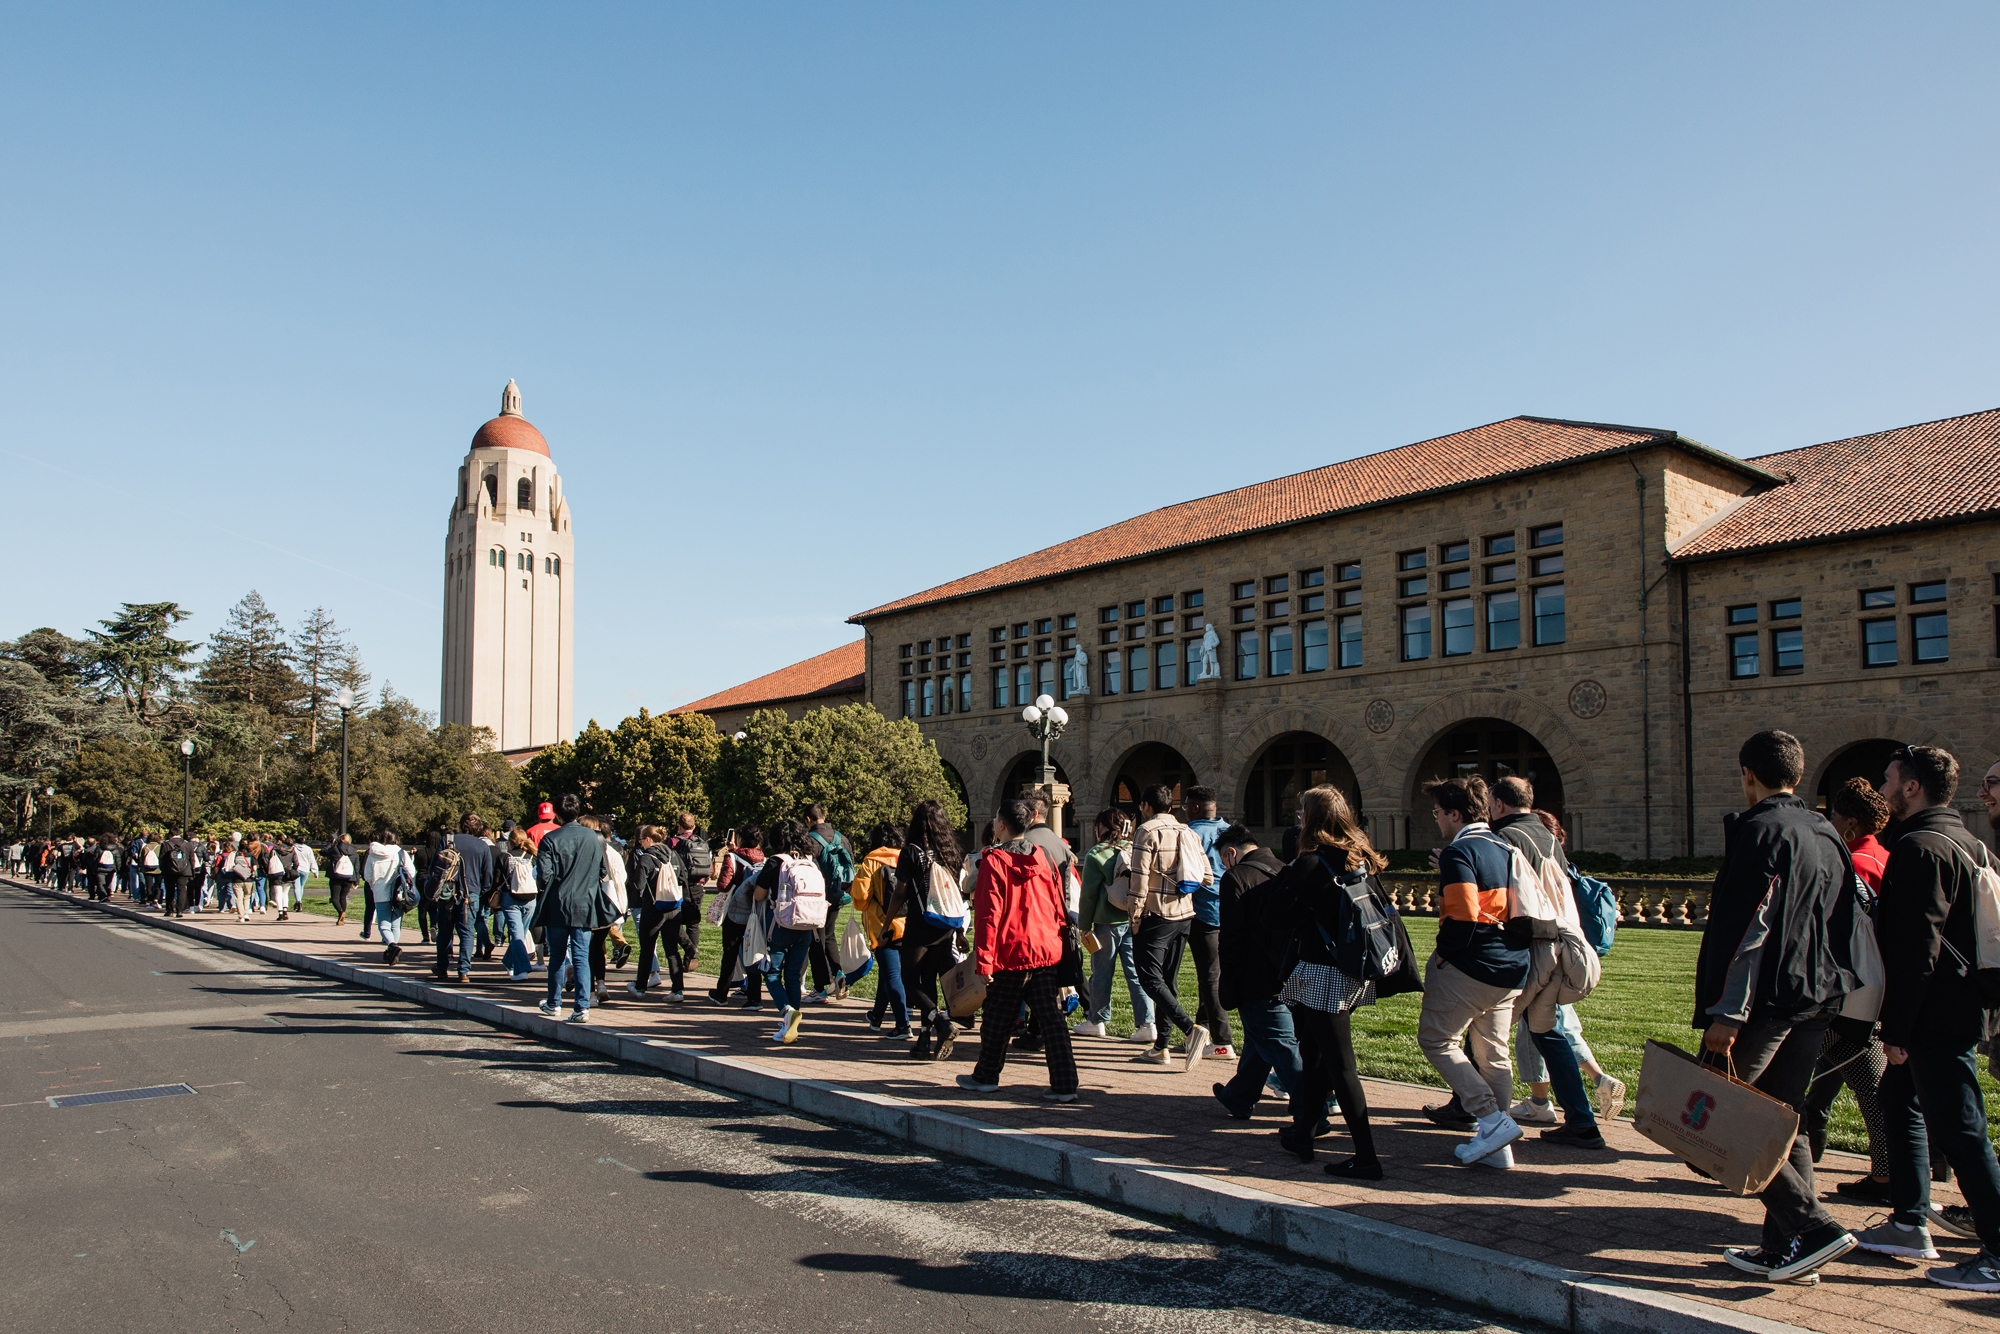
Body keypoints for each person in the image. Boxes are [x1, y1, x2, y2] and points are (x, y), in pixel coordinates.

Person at [1697, 730, 1863, 1285]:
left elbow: (1749, 928)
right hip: (1819, 995)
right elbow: (1846, 923)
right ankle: (1791, 1247)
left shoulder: (1761, 831)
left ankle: (1810, 1227)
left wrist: (1728, 1014)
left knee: (1715, 1117)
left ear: (1748, 774)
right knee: (1785, 1121)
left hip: (1765, 1003)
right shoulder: (1826, 831)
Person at [1870, 745, 2000, 1291]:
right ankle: (1909, 1219)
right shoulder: (1970, 844)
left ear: (1912, 787)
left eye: (1889, 779)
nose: (1882, 789)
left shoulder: (1921, 847)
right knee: (1900, 1100)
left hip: (1937, 1013)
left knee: (1960, 1127)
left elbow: (1916, 948)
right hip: (1956, 1003)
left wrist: (1895, 1029)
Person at [1275, 784, 1390, 1179]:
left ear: (1313, 819)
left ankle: (1367, 1156)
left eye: (1302, 813)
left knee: (1341, 1066)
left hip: (1324, 973)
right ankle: (1304, 1134)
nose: (1299, 820)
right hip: (1354, 969)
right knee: (1315, 1051)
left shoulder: (1310, 865)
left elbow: (1279, 911)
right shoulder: (1359, 859)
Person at [1416, 775, 1529, 1169]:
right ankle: (1497, 1144)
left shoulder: (1459, 851)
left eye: (1437, 813)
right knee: (1493, 1053)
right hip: (1513, 966)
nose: (1436, 821)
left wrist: (1444, 957)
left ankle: (1491, 1119)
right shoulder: (1505, 846)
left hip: (1472, 964)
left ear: (1454, 813)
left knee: (1436, 1039)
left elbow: (1463, 918)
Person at [1486, 776, 1603, 1150]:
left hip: (1532, 947)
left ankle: (1475, 1110)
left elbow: (1504, 895)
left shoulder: (1506, 837)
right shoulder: (1546, 835)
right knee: (1546, 1033)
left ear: (1499, 804)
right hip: (1559, 942)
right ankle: (1582, 1122)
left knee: (1483, 1021)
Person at [1804, 778, 1895, 1200]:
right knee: (1859, 1077)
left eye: (1834, 816)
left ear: (1850, 824)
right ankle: (1886, 1169)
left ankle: (1885, 1171)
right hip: (1868, 990)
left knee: (1796, 1070)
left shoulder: (1855, 865)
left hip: (1848, 989)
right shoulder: (1881, 856)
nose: (1829, 821)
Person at [956, 799, 1080, 1102]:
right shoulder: (1045, 857)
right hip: (1044, 947)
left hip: (1010, 951)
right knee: (1052, 1019)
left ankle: (985, 1076)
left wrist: (984, 963)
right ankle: (1065, 1085)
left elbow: (988, 915)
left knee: (997, 1018)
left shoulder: (993, 861)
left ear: (1000, 825)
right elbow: (1057, 904)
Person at [1213, 822, 1314, 1122]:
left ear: (1231, 852)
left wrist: (1228, 978)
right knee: (1261, 1038)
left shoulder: (1236, 877)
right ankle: (1240, 1097)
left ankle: (1312, 1110)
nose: (1225, 866)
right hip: (1290, 969)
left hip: (1254, 975)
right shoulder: (1285, 869)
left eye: (1223, 860)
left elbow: (1230, 937)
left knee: (1280, 1044)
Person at [1126, 784, 1212, 1070]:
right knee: (1167, 980)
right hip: (1185, 914)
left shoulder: (1146, 831)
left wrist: (1134, 917)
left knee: (1149, 978)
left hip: (1155, 915)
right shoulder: (1188, 831)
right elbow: (1207, 876)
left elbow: (1138, 881)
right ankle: (1161, 1046)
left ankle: (1190, 1030)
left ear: (1146, 806)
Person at [1073, 809, 1155, 1043]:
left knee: (1101, 973)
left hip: (1105, 922)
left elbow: (1088, 894)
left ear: (1100, 828)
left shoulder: (1097, 854)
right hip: (1134, 919)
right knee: (1136, 972)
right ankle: (1147, 1023)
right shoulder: (1133, 849)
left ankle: (1097, 1021)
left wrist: (1084, 924)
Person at [893, 798, 966, 1060]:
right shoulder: (950, 850)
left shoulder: (911, 851)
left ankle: (939, 1022)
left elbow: (900, 893)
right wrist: (959, 931)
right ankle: (924, 1039)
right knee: (930, 980)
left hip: (920, 924)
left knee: (911, 980)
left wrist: (888, 921)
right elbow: (955, 893)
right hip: (945, 926)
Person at [534, 794, 614, 1023]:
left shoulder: (551, 839)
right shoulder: (594, 838)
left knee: (558, 956)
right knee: (581, 956)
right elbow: (602, 871)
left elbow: (544, 875)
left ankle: (554, 1002)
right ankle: (581, 1006)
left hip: (558, 903)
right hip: (585, 902)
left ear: (557, 814)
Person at [753, 820, 824, 1044]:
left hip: (781, 924)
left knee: (773, 973)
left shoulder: (775, 862)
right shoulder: (809, 862)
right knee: (793, 975)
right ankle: (791, 1022)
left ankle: (787, 1012)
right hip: (807, 925)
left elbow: (759, 895)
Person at [1184, 785, 1235, 1061]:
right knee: (1212, 973)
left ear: (1193, 807)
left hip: (1202, 912)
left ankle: (1222, 1040)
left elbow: (1187, 875)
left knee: (1210, 977)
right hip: (1229, 912)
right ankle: (1201, 1028)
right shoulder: (1231, 832)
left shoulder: (1191, 833)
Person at [849, 823, 910, 1037]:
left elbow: (860, 898)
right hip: (910, 925)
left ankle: (903, 1025)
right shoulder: (906, 856)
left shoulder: (872, 860)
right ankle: (876, 1017)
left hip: (884, 927)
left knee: (892, 975)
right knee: (887, 973)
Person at [429, 814, 497, 985]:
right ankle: (464, 971)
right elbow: (487, 874)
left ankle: (442, 967)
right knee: (467, 932)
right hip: (471, 893)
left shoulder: (448, 840)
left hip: (447, 892)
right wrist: (481, 890)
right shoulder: (482, 846)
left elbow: (434, 867)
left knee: (445, 931)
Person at [706, 826, 769, 1009]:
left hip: (735, 909)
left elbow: (723, 885)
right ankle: (754, 997)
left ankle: (721, 993)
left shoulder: (732, 857)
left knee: (730, 953)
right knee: (753, 951)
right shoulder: (763, 858)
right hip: (754, 910)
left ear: (740, 838)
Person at [626, 825, 690, 1003]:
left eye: (641, 840)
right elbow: (683, 877)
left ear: (648, 839)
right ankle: (677, 990)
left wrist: (631, 881)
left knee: (647, 949)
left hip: (653, 907)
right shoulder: (673, 854)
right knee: (672, 950)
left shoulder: (647, 858)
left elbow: (638, 885)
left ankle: (640, 987)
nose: (640, 843)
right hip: (673, 906)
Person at [362, 830, 416, 964]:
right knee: (395, 924)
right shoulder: (401, 853)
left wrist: (375, 884)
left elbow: (367, 875)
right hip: (399, 892)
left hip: (380, 891)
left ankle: (392, 946)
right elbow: (411, 871)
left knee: (384, 925)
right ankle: (393, 948)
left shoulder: (372, 853)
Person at [498, 826, 540, 979]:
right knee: (521, 933)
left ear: (511, 842)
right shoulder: (533, 856)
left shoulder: (504, 857)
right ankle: (509, 962)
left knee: (516, 934)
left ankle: (521, 969)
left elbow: (497, 879)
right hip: (530, 899)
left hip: (510, 898)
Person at [324, 830, 361, 928]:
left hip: (336, 875)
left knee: (334, 897)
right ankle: (342, 916)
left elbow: (323, 852)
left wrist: (331, 843)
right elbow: (356, 866)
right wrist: (356, 880)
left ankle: (341, 912)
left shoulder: (335, 848)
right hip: (349, 876)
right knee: (343, 897)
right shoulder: (354, 850)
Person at [288, 835, 317, 921]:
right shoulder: (308, 849)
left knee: (296, 887)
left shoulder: (293, 848)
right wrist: (315, 871)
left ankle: (298, 902)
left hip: (296, 868)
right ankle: (299, 901)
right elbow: (312, 860)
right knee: (301, 886)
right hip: (305, 869)